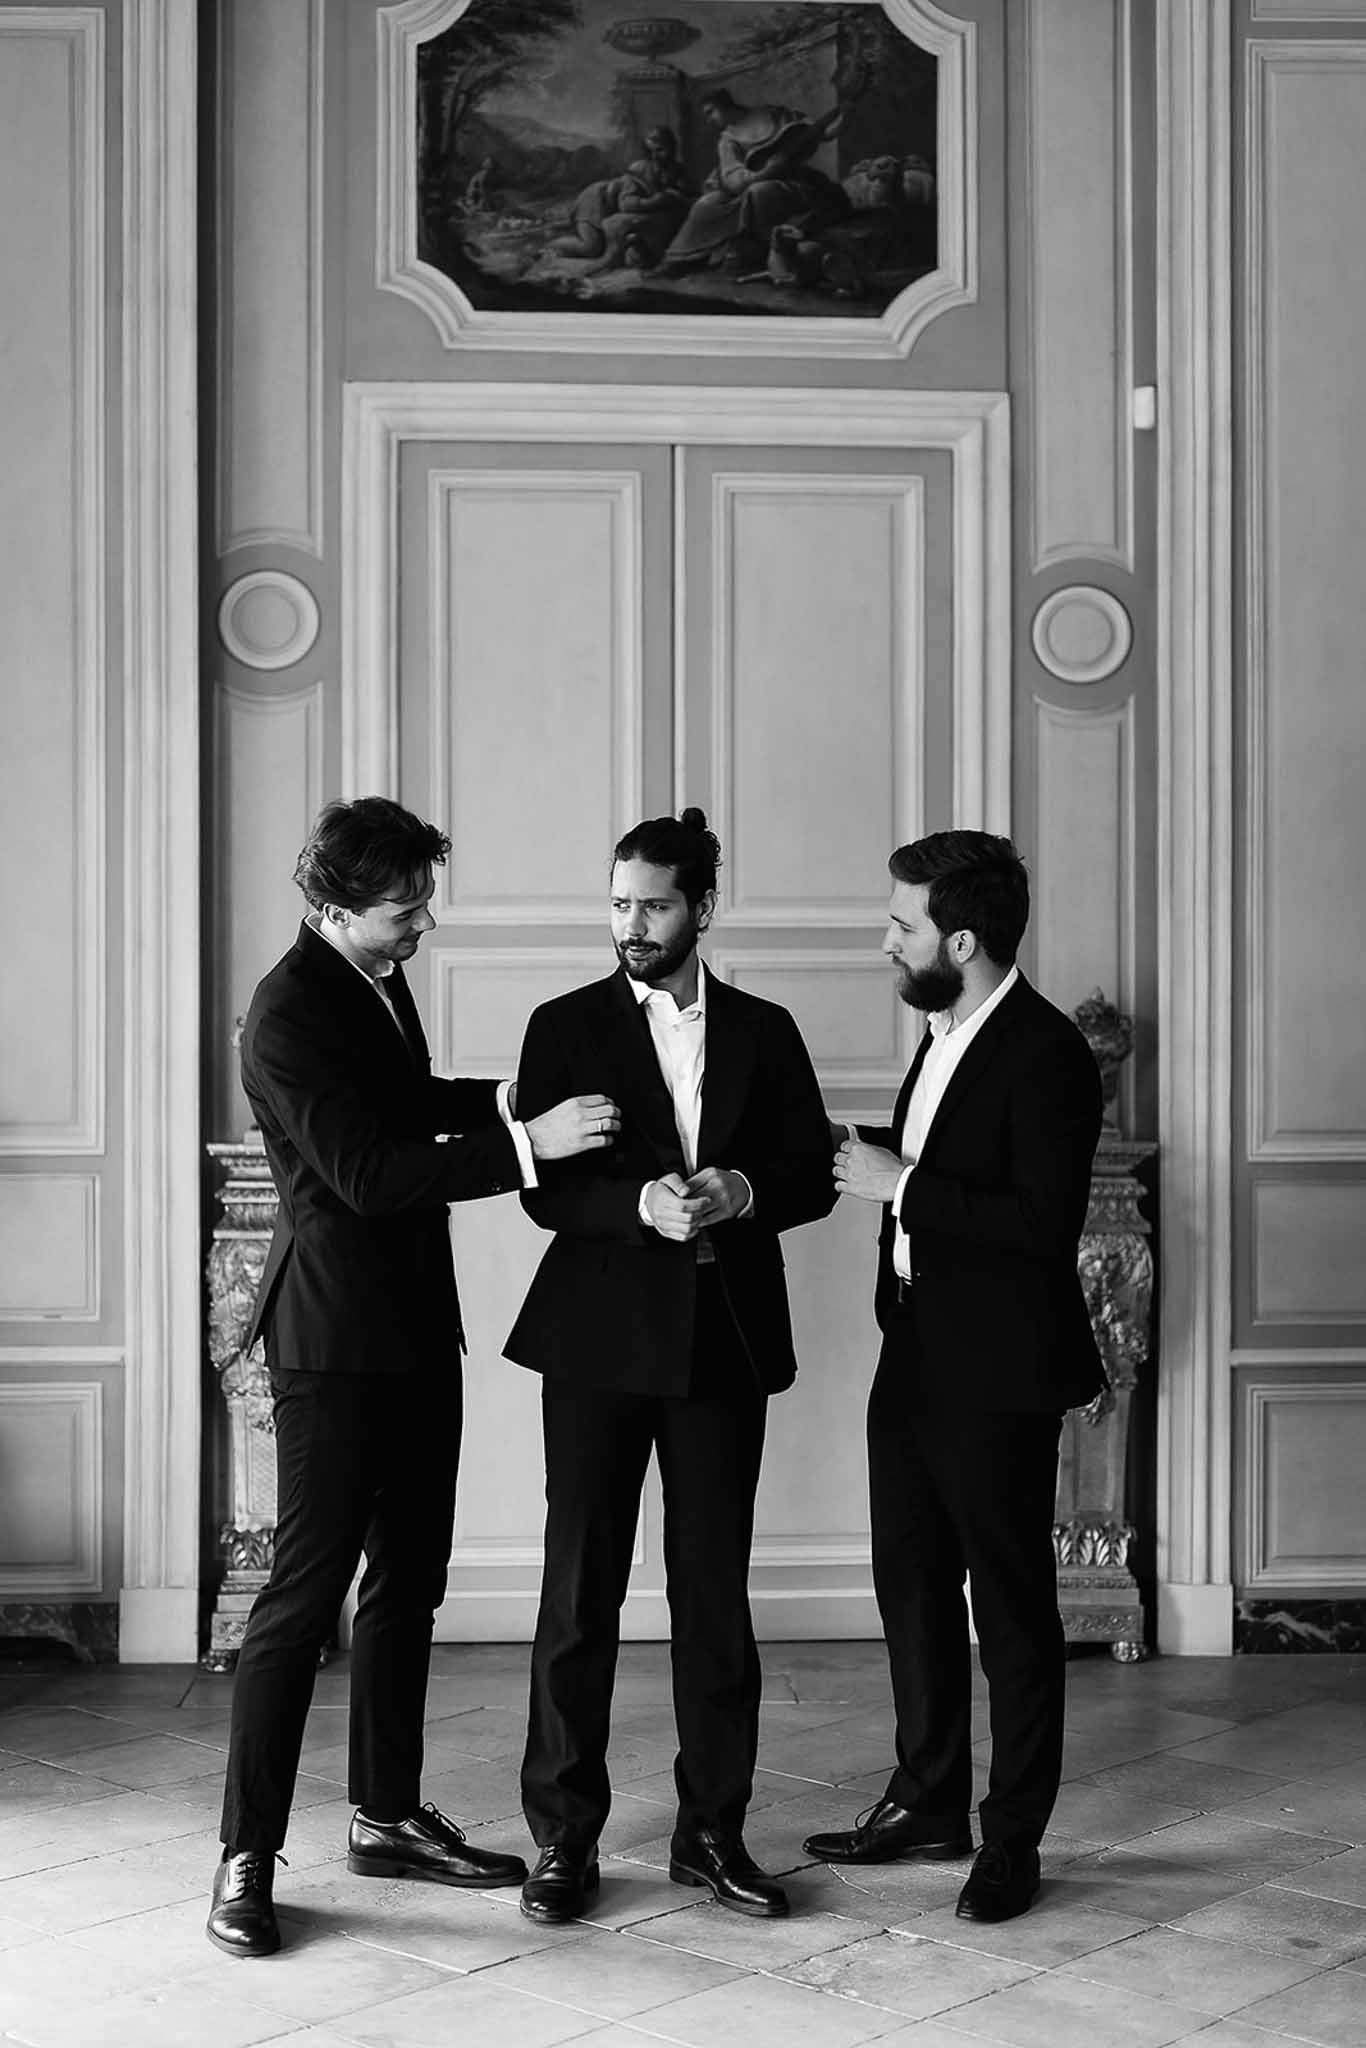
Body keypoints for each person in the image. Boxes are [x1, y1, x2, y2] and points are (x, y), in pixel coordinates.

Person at [208, 797, 620, 1959]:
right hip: (331, 1344)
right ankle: (246, 1854)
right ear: (334, 905)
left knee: (408, 1585)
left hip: (411, 1334)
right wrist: (536, 1146)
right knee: (299, 1602)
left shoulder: (371, 981)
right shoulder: (285, 1012)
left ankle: (384, 1817)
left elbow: (405, 1105)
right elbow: (371, 1175)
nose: (423, 925)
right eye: (404, 909)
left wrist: (510, 1100)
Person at [504, 809, 836, 1924]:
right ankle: (561, 1836)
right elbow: (544, 1188)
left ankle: (712, 1831)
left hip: (723, 1339)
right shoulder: (561, 1025)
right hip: (597, 1338)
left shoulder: (766, 1028)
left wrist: (742, 1191)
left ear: (702, 906)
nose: (629, 924)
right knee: (578, 1590)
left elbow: (809, 1173)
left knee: (713, 1598)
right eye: (616, 902)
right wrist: (635, 1204)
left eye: (650, 904)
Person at [803, 832, 1104, 1925]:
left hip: (1000, 1369)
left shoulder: (1049, 1051)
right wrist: (865, 1157)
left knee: (1012, 1610)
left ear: (961, 939)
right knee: (911, 1583)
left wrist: (900, 1181)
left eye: (902, 924)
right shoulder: (940, 1031)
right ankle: (927, 1801)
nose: (885, 940)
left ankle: (1010, 1837)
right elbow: (945, 1166)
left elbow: (1038, 1225)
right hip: (914, 1349)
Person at [655, 88, 847, 276]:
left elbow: (821, 134)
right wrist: (767, 171)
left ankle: (763, 254)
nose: (709, 120)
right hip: (752, 184)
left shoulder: (772, 114)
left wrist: (845, 114)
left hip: (793, 182)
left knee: (759, 192)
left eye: (710, 112)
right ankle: (678, 259)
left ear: (724, 105)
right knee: (705, 205)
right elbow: (733, 180)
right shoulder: (727, 139)